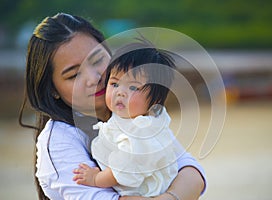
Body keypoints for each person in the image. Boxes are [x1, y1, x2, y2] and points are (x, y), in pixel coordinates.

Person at [19, 12, 206, 200]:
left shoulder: (133, 116)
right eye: (74, 75)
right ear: (53, 90)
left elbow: (191, 172)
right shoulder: (60, 141)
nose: (95, 78)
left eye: (97, 60)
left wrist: (169, 197)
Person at [73, 42, 180, 197]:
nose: (120, 92)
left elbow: (123, 169)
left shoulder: (142, 129)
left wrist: (96, 178)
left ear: (155, 99)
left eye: (133, 88)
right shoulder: (129, 116)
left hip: (145, 192)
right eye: (115, 84)